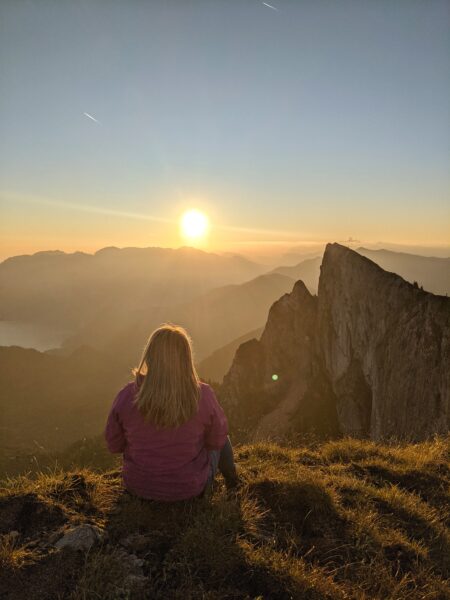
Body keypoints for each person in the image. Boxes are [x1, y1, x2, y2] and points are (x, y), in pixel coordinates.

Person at [105, 324, 239, 501]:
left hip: (138, 488)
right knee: (224, 438)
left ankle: (149, 480)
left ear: (150, 357)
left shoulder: (127, 395)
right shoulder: (202, 395)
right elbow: (216, 441)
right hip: (189, 490)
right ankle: (234, 485)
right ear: (186, 359)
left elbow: (114, 445)